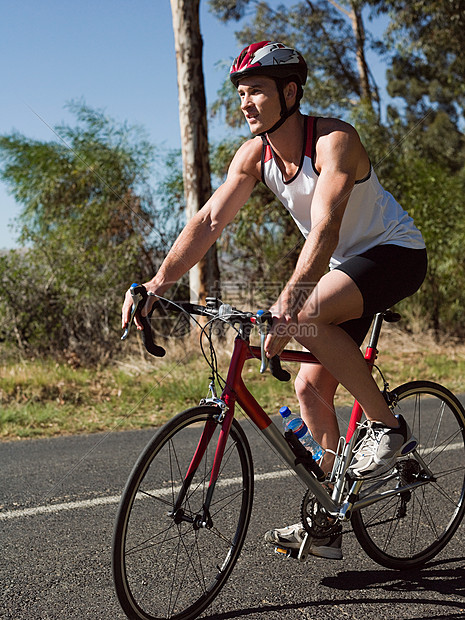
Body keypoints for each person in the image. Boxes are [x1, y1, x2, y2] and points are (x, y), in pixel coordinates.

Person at [121, 41, 427, 560]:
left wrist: (287, 304)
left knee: (305, 315)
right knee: (308, 390)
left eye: (256, 91)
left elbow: (325, 230)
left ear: (289, 92)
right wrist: (158, 284)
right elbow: (209, 221)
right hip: (342, 270)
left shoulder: (335, 141)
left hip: (393, 252)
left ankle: (388, 428)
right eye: (240, 92)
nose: (245, 102)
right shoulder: (254, 155)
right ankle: (333, 515)